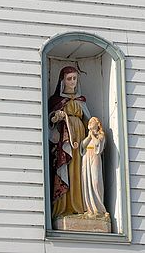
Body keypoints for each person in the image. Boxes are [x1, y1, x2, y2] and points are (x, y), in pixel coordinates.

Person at [48, 66, 91, 218]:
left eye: (74, 78)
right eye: (69, 79)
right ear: (62, 81)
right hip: (65, 138)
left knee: (79, 170)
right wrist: (56, 117)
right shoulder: (57, 100)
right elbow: (50, 121)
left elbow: (88, 120)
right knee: (67, 167)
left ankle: (79, 205)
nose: (72, 82)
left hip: (80, 137)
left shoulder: (81, 101)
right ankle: (64, 207)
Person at [80, 116, 107, 215]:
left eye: (92, 121)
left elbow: (98, 144)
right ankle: (89, 208)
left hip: (95, 157)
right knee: (86, 181)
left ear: (97, 124)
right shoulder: (88, 136)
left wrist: (92, 136)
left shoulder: (101, 135)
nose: (90, 123)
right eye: (89, 122)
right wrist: (88, 136)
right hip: (86, 157)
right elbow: (82, 145)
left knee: (96, 181)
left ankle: (99, 208)